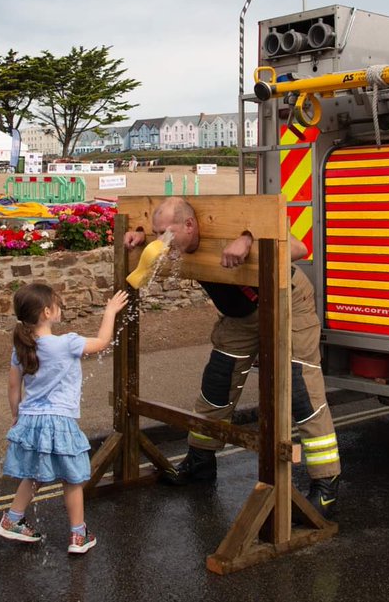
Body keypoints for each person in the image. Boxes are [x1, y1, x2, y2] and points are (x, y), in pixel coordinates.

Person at [123, 197, 343, 517]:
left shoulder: (235, 226)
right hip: (240, 316)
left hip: (288, 302)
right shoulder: (175, 240)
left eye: (165, 233)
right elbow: (150, 237)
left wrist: (248, 239)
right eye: (157, 233)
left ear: (189, 225)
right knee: (218, 381)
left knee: (301, 390)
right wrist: (141, 236)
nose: (162, 240)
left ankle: (326, 483)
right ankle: (200, 461)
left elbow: (298, 249)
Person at [0, 282, 129, 553]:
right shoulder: (67, 343)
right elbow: (102, 342)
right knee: (72, 478)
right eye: (57, 304)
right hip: (59, 420)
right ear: (47, 312)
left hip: (31, 419)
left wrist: (16, 415)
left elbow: (13, 387)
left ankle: (12, 519)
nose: (60, 307)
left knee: (34, 473)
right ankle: (78, 536)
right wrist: (110, 311)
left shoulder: (21, 348)